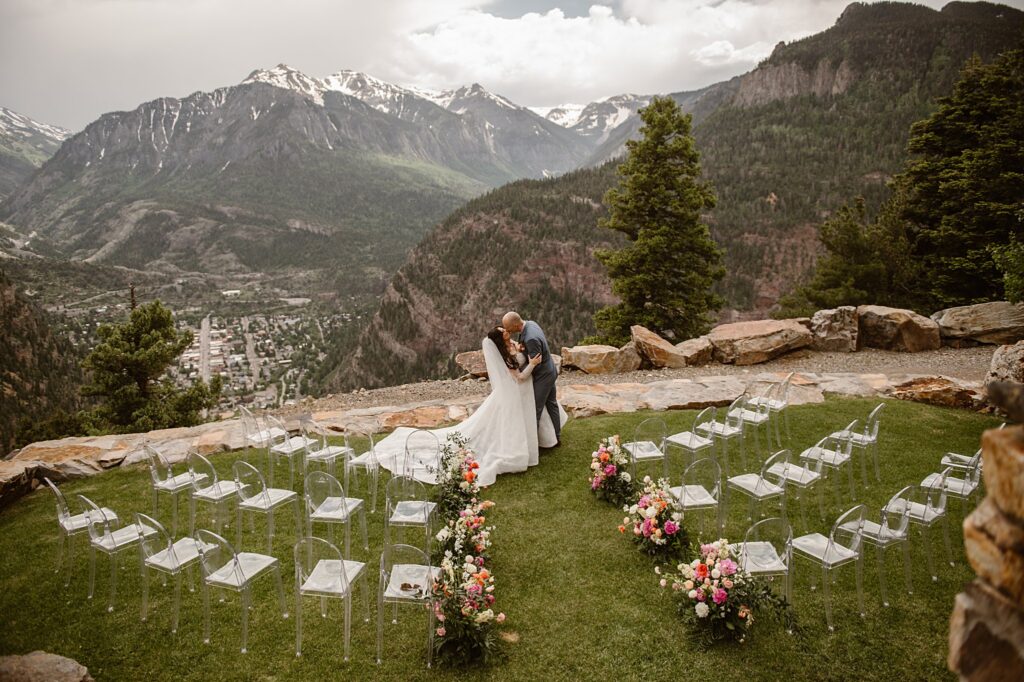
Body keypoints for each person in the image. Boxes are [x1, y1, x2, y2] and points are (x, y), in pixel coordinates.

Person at [372, 322, 566, 486]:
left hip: (523, 393)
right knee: (517, 420)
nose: (507, 331)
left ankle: (542, 441)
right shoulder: (506, 358)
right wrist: (532, 364)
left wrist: (522, 352)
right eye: (503, 332)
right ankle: (525, 446)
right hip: (518, 391)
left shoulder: (513, 346)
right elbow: (520, 377)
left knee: (526, 416)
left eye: (505, 329)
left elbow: (519, 351)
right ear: (500, 340)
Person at [502, 311, 561, 448]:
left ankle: (532, 446)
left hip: (543, 376)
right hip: (550, 370)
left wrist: (522, 364)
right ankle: (557, 437)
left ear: (516, 325)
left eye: (508, 328)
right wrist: (521, 349)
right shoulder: (531, 324)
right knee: (552, 404)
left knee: (535, 410)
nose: (507, 331)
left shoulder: (530, 338)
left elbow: (536, 362)